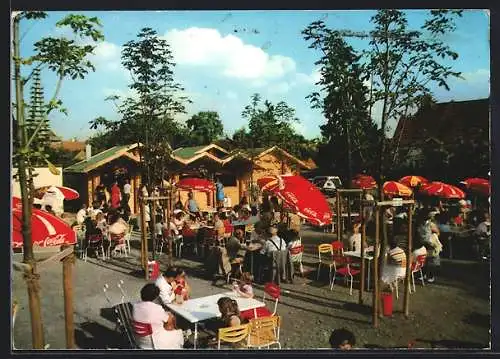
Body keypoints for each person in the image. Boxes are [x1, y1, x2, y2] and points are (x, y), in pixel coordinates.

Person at [132, 283, 185, 349]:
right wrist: (170, 315)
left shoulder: (135, 306)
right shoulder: (156, 308)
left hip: (140, 341)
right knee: (178, 332)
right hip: (154, 343)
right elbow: (169, 320)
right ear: (155, 296)